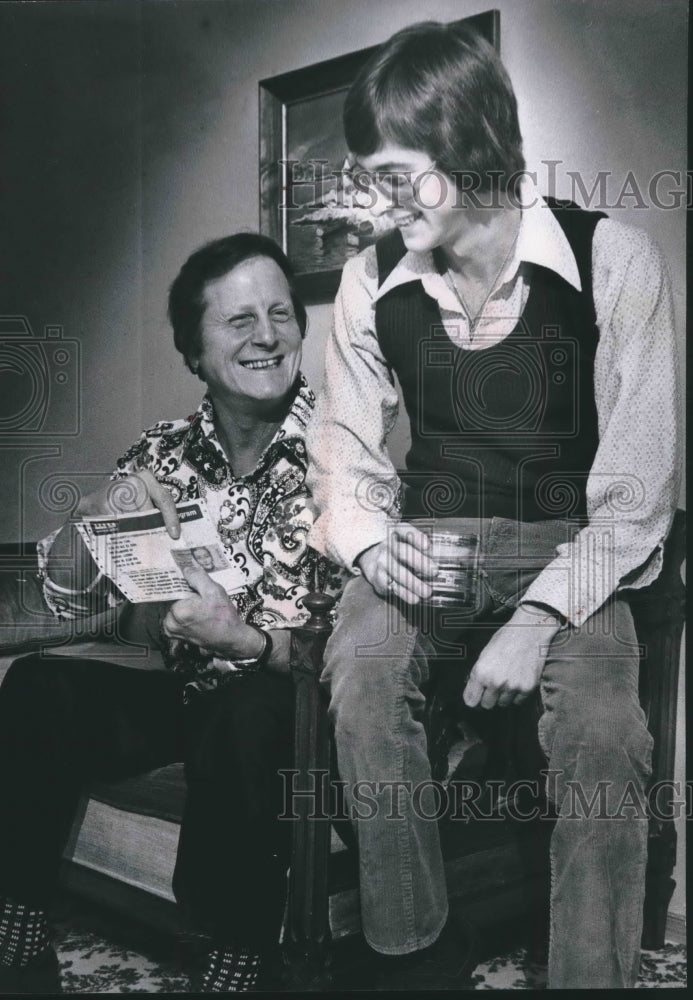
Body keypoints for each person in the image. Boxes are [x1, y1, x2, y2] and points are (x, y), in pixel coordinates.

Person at [306, 20, 681, 990]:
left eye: (395, 176)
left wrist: (536, 620)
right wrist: (367, 542)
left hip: (572, 546)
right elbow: (344, 455)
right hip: (427, 539)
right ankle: (414, 955)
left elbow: (636, 494)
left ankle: (590, 978)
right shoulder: (367, 281)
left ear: (469, 146)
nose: (376, 201)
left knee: (603, 733)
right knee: (361, 672)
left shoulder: (613, 260)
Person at [0, 232, 344, 994]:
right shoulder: (163, 452)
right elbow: (65, 598)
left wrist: (249, 641)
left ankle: (235, 958)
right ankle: (17, 933)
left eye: (280, 314)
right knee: (35, 686)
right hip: (189, 694)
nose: (266, 336)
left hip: (294, 704)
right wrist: (92, 515)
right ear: (193, 351)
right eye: (239, 320)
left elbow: (366, 644)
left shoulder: (343, 452)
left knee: (245, 713)